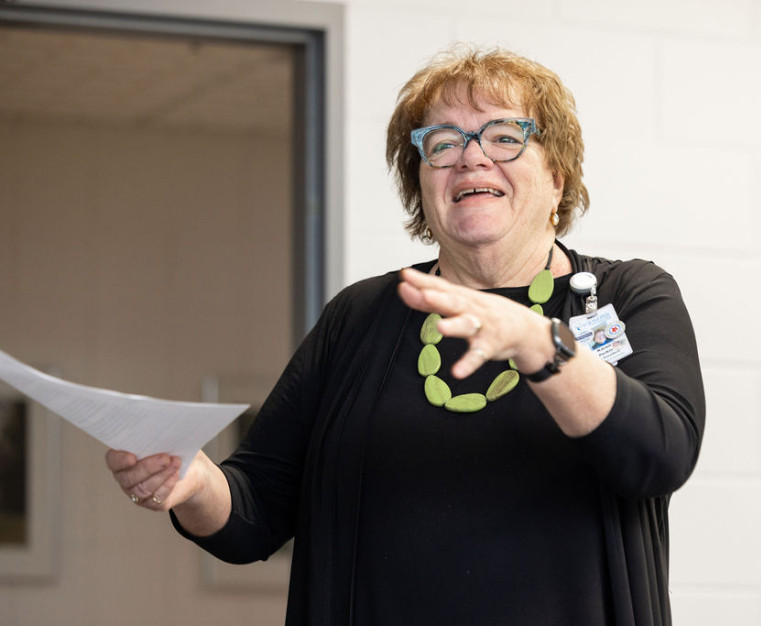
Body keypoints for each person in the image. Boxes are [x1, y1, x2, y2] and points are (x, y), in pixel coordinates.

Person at [105, 46, 705, 626]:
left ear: (557, 176)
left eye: (504, 136)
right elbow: (254, 512)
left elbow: (659, 455)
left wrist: (535, 342)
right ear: (421, 184)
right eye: (443, 143)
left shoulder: (628, 295)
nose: (472, 158)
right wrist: (193, 482)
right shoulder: (360, 316)